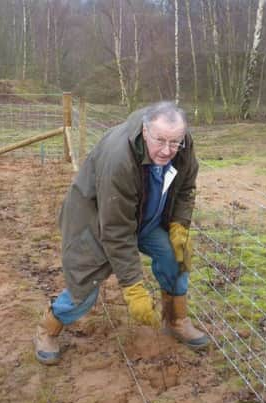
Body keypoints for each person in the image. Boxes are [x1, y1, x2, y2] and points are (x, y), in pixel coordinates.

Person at [34, 101, 209, 365]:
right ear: (145, 131)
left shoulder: (181, 145)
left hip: (144, 217)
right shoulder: (120, 160)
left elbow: (186, 189)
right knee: (86, 286)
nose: (167, 150)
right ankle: (48, 328)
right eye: (160, 140)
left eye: (175, 142)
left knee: (176, 258)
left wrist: (179, 225)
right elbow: (116, 230)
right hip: (96, 220)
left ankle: (176, 320)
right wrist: (133, 287)